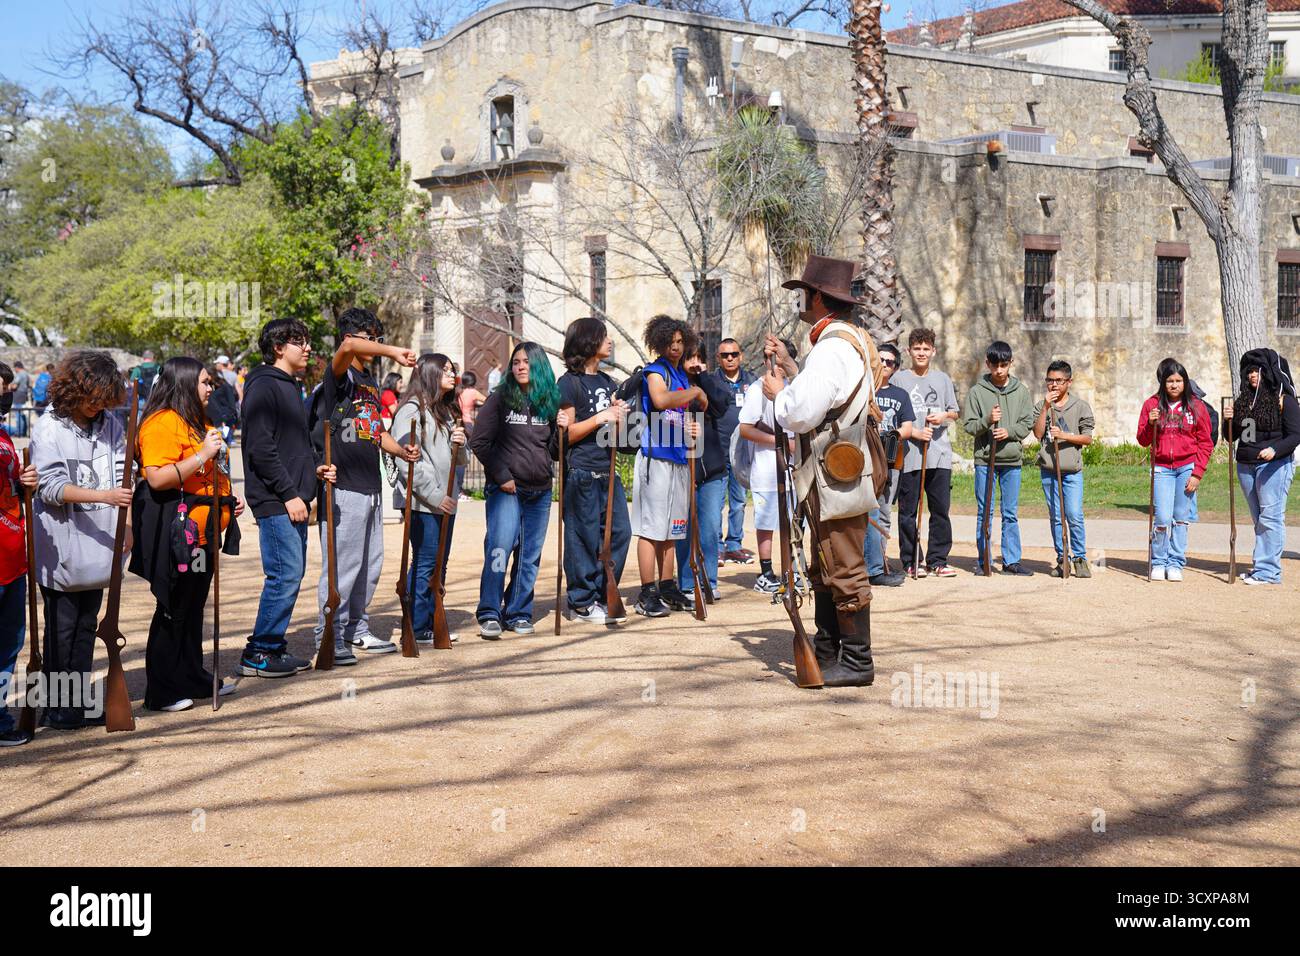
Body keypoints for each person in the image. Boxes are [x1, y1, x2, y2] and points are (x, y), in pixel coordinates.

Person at [762, 255, 882, 689]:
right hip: (837, 465)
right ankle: (830, 647)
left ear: (818, 297)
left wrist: (780, 395)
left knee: (843, 563)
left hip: (836, 470)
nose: (802, 300)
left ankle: (856, 660)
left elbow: (802, 412)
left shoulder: (831, 347)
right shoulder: (846, 341)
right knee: (828, 560)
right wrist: (796, 375)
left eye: (804, 293)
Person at [130, 358, 244, 712]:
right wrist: (202, 454)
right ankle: (161, 690)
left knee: (194, 607)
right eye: (205, 382)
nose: (211, 389)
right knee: (173, 606)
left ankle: (192, 675)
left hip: (205, 532)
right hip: (178, 532)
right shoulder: (162, 423)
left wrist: (225, 499)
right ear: (184, 383)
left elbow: (210, 468)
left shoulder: (197, 420)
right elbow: (159, 478)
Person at [307, 307, 418, 663]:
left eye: (377, 337)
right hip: (342, 487)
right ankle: (329, 632)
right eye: (370, 337)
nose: (376, 343)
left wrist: (401, 451)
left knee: (371, 564)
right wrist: (394, 352)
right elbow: (347, 347)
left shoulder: (369, 382)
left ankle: (357, 628)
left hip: (370, 484)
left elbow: (375, 431)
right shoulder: (337, 376)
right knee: (344, 564)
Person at [29, 351, 131, 728]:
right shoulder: (48, 428)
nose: (99, 406)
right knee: (61, 629)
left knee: (88, 625)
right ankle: (57, 708)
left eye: (105, 398)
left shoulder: (111, 425)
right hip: (63, 548)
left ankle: (75, 704)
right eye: (94, 397)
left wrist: (129, 525)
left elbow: (123, 474)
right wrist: (105, 497)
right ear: (75, 389)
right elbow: (50, 487)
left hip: (101, 545)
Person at [238, 319, 334, 678]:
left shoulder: (290, 386)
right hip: (277, 500)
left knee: (290, 574)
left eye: (308, 340)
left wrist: (315, 470)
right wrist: (291, 494)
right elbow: (261, 449)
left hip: (291, 497)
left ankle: (272, 647)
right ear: (278, 347)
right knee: (284, 574)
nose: (307, 348)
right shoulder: (264, 386)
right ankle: (259, 653)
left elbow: (293, 446)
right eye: (299, 341)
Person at [470, 341, 566, 638]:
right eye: (516, 362)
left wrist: (562, 430)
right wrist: (502, 476)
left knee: (529, 556)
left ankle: (518, 612)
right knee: (500, 549)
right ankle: (490, 612)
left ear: (538, 367)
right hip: (506, 490)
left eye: (526, 362)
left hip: (539, 491)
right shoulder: (500, 399)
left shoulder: (548, 402)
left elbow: (555, 453)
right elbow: (480, 442)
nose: (520, 366)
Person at [557, 318, 631, 624]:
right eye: (604, 337)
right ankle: (581, 602)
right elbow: (566, 435)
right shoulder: (569, 383)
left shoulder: (608, 382)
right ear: (589, 342)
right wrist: (602, 416)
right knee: (582, 538)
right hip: (581, 471)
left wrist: (622, 418)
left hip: (607, 469)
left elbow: (620, 437)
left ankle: (604, 592)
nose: (610, 341)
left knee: (620, 533)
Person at [631, 315, 703, 618]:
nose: (676, 347)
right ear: (658, 342)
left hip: (677, 457)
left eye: (680, 342)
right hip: (655, 457)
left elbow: (702, 405)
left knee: (673, 529)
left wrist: (694, 416)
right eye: (670, 342)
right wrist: (696, 393)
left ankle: (667, 584)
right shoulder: (655, 371)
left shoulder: (682, 375)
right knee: (651, 529)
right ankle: (646, 592)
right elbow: (660, 401)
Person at [393, 354, 467, 643]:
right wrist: (437, 496)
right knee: (425, 562)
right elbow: (408, 462)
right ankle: (417, 623)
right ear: (430, 374)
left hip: (444, 501)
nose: (452, 374)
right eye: (446, 370)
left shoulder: (445, 411)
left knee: (440, 563)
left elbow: (456, 459)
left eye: (453, 370)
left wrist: (459, 444)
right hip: (424, 503)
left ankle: (432, 617)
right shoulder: (412, 411)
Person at [1224, 348, 1299, 585]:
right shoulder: (1244, 401)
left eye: (1257, 371)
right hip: (1246, 465)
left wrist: (1275, 450)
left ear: (1269, 373)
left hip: (1273, 466)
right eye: (1249, 371)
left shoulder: (1284, 401)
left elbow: (1295, 435)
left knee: (1271, 517)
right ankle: (1262, 566)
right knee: (1259, 518)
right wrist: (1228, 420)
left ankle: (1268, 572)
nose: (1252, 375)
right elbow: (1232, 437)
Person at [961, 340, 1035, 576]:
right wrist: (987, 421)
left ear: (1011, 363)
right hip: (986, 460)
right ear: (987, 364)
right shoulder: (977, 392)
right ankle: (984, 560)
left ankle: (1011, 560)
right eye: (995, 366)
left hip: (1011, 461)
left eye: (1004, 365)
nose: (1000, 371)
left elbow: (1027, 423)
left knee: (1010, 512)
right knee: (985, 511)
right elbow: (969, 425)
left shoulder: (1021, 391)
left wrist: (1009, 432)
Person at [1136, 357, 1213, 582]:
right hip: (1161, 468)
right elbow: (1142, 440)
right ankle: (1159, 561)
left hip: (1186, 467)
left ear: (1185, 382)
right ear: (1163, 383)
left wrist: (1197, 473)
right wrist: (1150, 424)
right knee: (1162, 517)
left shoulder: (1196, 406)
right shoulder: (1152, 405)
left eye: (1179, 380)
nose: (1174, 385)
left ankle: (1176, 562)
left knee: (1180, 517)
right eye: (1170, 380)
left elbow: (1205, 442)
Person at [893, 328, 959, 578]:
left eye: (925, 349)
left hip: (939, 453)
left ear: (933, 351)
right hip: (911, 455)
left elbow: (954, 412)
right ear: (909, 351)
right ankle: (911, 560)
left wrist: (944, 416)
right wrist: (914, 433)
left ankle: (937, 560)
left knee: (940, 509)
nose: (921, 353)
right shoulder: (900, 379)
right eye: (917, 349)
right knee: (908, 511)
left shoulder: (942, 379)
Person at [739, 339, 800, 594]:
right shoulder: (756, 390)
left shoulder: (793, 389)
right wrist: (779, 442)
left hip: (792, 468)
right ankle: (766, 573)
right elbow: (746, 428)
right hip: (765, 467)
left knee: (793, 520)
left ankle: (794, 570)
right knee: (766, 522)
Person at [676, 339, 733, 605]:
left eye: (700, 357)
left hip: (712, 469)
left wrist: (703, 380)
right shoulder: (672, 384)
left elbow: (721, 406)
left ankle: (709, 581)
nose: (695, 363)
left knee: (709, 528)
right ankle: (687, 582)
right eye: (690, 358)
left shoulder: (711, 382)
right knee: (684, 528)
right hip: (682, 470)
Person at [0, 361, 39, 746]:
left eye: (9, 385)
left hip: (11, 555)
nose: (8, 392)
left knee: (8, 642)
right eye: (1, 386)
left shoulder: (4, 434)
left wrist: (22, 481)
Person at [1032, 360, 1095, 578]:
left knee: (1074, 514)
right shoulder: (1042, 405)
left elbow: (1087, 438)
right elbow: (1038, 434)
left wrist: (1065, 436)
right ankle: (1063, 557)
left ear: (1069, 382)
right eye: (1050, 380)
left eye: (1059, 380)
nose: (1054, 385)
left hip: (1072, 471)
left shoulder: (1080, 406)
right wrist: (1046, 408)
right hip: (1049, 470)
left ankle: (1079, 557)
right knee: (1057, 516)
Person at [864, 342, 914, 587]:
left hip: (890, 458)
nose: (884, 365)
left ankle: (879, 561)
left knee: (883, 512)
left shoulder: (900, 395)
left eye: (890, 362)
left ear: (895, 367)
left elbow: (907, 427)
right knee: (863, 512)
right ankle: (866, 563)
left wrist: (890, 434)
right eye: (880, 360)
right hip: (864, 460)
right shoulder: (863, 391)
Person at [713, 338, 756, 565]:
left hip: (742, 452)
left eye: (734, 354)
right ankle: (717, 548)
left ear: (741, 356)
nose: (730, 358)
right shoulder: (711, 381)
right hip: (717, 451)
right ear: (718, 358)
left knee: (739, 501)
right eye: (725, 355)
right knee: (717, 502)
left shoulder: (752, 381)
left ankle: (734, 546)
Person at [206, 366, 240, 447]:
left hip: (226, 416)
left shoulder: (224, 385)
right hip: (214, 418)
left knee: (224, 444)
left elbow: (231, 400)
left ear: (211, 374)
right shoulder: (207, 387)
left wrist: (230, 415)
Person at [10, 361, 29, 438]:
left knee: (18, 415)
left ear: (17, 367)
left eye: (15, 368)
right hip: (24, 394)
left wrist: (8, 387)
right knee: (22, 414)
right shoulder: (26, 374)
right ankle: (24, 432)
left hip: (18, 395)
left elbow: (14, 386)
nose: (15, 369)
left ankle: (19, 433)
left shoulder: (20, 374)